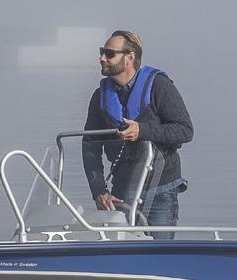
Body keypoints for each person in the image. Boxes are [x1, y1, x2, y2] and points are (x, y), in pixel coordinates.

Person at [81, 30, 193, 240]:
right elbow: (90, 147)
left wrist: (142, 130)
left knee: (160, 254)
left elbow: (185, 130)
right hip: (121, 191)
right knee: (118, 251)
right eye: (101, 52)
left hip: (161, 188)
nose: (102, 58)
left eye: (109, 53)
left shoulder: (159, 86)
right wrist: (99, 191)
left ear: (129, 57)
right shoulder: (99, 97)